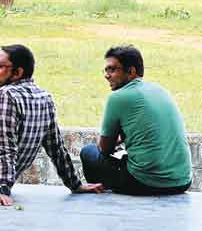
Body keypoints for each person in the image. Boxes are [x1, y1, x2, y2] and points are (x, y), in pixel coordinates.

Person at [0, 45, 103, 205]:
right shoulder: (45, 98)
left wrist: (2, 191)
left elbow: (5, 147)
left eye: (0, 65)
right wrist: (75, 184)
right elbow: (56, 148)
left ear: (18, 72)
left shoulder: (7, 95)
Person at [80, 45, 192, 195]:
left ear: (131, 71)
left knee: (89, 152)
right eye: (105, 70)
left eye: (112, 69)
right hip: (182, 182)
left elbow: (104, 149)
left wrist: (115, 141)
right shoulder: (160, 90)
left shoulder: (118, 98)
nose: (107, 75)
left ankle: (103, 191)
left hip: (145, 183)